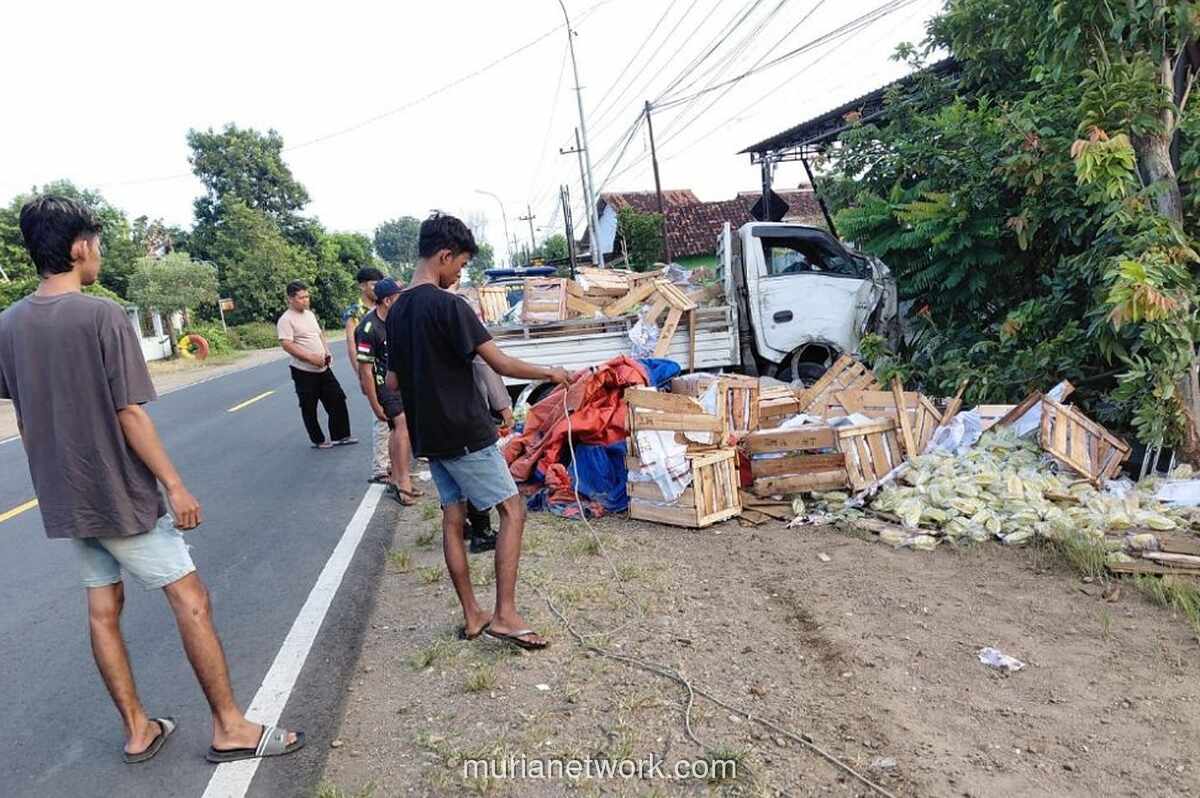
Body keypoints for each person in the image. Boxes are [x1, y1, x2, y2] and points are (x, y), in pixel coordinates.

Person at [0, 196, 304, 764]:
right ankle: (230, 726)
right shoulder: (101, 315)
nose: (99, 252)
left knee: (102, 608)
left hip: (65, 496)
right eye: (95, 241)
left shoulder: (9, 323)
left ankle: (139, 728)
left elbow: (22, 406)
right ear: (78, 247)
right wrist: (174, 484)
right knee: (191, 599)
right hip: (117, 493)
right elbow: (129, 412)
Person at [385, 213, 572, 651]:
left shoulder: (396, 313)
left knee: (454, 518)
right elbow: (501, 364)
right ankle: (505, 615)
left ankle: (473, 616)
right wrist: (553, 372)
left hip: (430, 435)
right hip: (466, 430)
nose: (460, 273)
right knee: (513, 512)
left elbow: (392, 382)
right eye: (461, 265)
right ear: (444, 255)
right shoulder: (450, 306)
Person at [354, 277, 421, 504]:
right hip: (383, 385)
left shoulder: (396, 320)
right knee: (401, 425)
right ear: (388, 300)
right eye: (399, 297)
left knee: (398, 429)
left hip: (401, 382)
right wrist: (374, 403)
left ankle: (396, 478)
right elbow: (365, 370)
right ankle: (403, 483)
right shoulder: (368, 328)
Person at [277, 281, 357, 449]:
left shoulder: (309, 314)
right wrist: (309, 357)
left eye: (307, 296)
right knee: (309, 406)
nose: (306, 300)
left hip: (323, 367)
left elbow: (319, 334)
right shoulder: (286, 320)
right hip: (303, 370)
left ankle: (341, 435)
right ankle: (318, 440)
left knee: (337, 398)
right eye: (301, 297)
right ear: (290, 299)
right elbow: (287, 344)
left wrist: (326, 351)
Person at [462, 356, 516, 553]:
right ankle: (481, 531)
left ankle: (462, 526)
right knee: (479, 473)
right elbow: (485, 363)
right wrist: (503, 406)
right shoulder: (460, 324)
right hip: (467, 411)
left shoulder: (409, 326)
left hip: (433, 417)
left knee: (453, 487)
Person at [342, 266, 383, 373]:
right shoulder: (354, 313)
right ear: (362, 286)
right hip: (370, 369)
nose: (378, 288)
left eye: (380, 284)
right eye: (374, 284)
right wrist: (361, 374)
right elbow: (352, 345)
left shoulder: (384, 306)